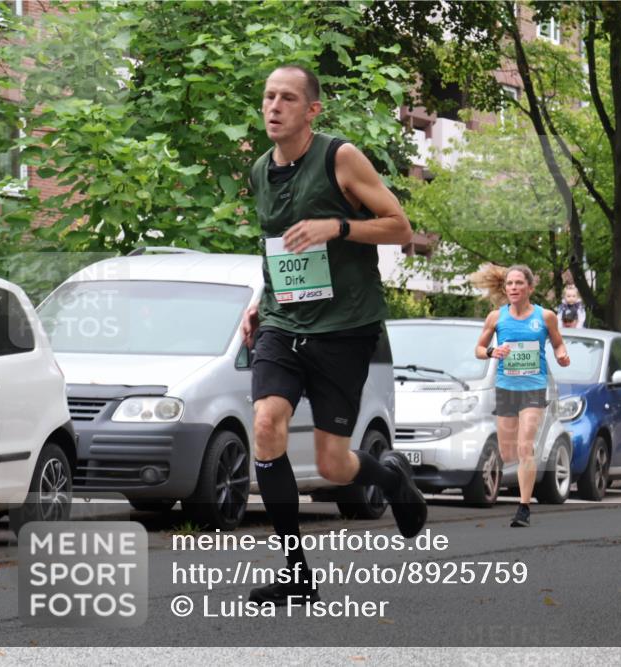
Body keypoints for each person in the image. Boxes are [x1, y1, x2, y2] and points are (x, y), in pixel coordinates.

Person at [240, 64, 426, 605]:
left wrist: (337, 225)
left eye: (288, 98)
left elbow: (400, 227)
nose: (274, 106)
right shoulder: (259, 171)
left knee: (332, 465)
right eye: (269, 96)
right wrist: (260, 301)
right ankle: (296, 572)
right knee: (267, 423)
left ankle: (390, 479)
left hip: (344, 328)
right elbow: (277, 248)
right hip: (283, 321)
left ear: (311, 110)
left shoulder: (338, 157)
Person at [473, 265, 570, 527]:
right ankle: (522, 476)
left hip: (534, 388)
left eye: (518, 283)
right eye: (510, 284)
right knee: (508, 453)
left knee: (525, 447)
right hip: (506, 388)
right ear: (505, 289)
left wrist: (561, 354)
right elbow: (479, 349)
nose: (513, 288)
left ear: (529, 287)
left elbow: (558, 341)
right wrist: (493, 352)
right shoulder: (496, 317)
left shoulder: (545, 316)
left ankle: (524, 507)